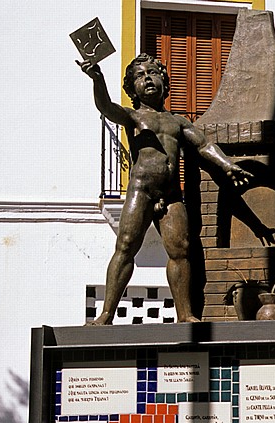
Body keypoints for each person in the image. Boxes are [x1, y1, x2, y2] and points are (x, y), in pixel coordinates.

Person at [78, 54, 251, 324]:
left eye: (152, 73)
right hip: (141, 191)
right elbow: (107, 108)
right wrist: (98, 79)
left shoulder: (178, 122)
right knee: (125, 247)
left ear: (164, 82)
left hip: (171, 196)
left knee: (181, 249)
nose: (147, 78)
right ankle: (106, 314)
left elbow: (204, 145)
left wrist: (227, 164)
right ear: (132, 88)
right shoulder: (133, 117)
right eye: (139, 75)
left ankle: (185, 315)